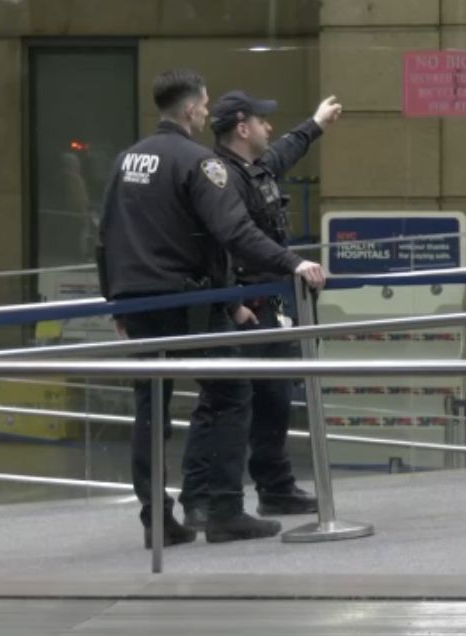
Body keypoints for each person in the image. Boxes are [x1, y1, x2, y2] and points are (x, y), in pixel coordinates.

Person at [96, 69, 327, 547]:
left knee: (150, 407)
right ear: (189, 109)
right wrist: (292, 262)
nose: (205, 111)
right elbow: (235, 233)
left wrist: (115, 301)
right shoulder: (199, 163)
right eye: (203, 104)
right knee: (230, 390)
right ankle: (221, 509)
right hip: (186, 301)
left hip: (135, 300)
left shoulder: (126, 159)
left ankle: (158, 520)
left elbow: (106, 235)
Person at [173, 91, 342, 528]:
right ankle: (200, 497)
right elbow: (233, 239)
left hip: (268, 300)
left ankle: (275, 486)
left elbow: (286, 149)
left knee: (274, 398)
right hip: (241, 302)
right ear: (242, 127)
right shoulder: (218, 178)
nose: (270, 127)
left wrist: (316, 123)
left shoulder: (255, 168)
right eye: (262, 120)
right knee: (224, 402)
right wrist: (238, 300)